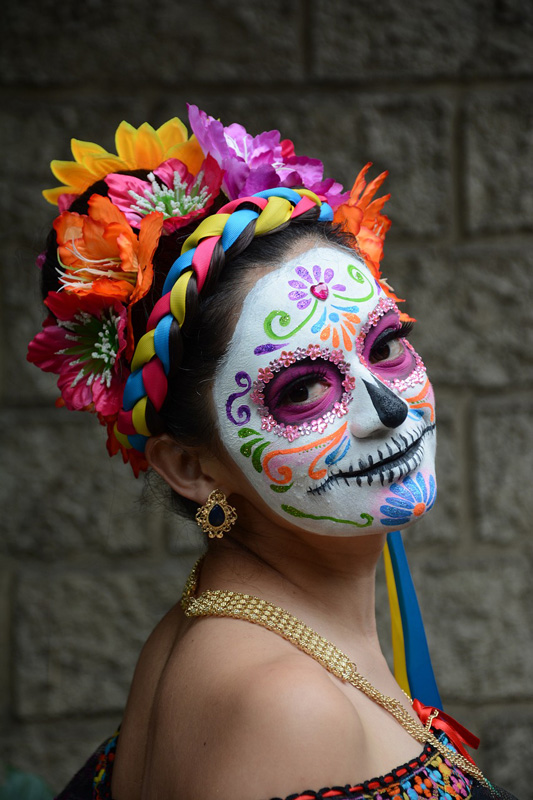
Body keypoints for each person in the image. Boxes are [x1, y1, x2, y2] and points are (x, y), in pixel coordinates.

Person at [27, 107, 516, 800]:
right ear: (189, 468)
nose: (387, 409)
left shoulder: (229, 623)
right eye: (303, 389)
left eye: (384, 345)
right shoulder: (281, 705)